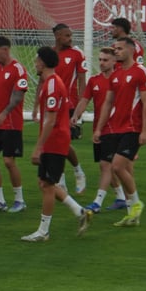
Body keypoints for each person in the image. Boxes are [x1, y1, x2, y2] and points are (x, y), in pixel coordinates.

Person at [22, 47, 93, 242]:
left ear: (43, 62)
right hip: (54, 140)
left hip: (55, 141)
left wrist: (38, 146)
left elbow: (51, 120)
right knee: (45, 183)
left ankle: (43, 231)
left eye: (37, 60)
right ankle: (80, 212)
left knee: (47, 185)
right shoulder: (50, 83)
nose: (35, 63)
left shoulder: (53, 85)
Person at [93, 37, 146, 227]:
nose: (115, 51)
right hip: (115, 128)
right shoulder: (116, 74)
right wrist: (100, 128)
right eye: (114, 48)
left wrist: (145, 131)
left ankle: (136, 204)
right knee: (122, 168)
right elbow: (108, 103)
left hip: (133, 128)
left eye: (119, 48)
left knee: (117, 167)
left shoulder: (141, 72)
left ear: (130, 50)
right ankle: (131, 213)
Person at [0, 36, 28, 213]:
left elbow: (18, 96)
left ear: (5, 50)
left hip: (11, 123)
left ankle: (19, 200)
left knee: (9, 161)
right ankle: (0, 201)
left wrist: (4, 113)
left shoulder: (18, 69)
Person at [71, 46, 118, 213]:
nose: (101, 63)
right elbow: (84, 100)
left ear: (114, 61)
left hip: (116, 129)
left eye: (105, 60)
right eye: (100, 59)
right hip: (99, 128)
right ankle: (122, 197)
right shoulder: (94, 81)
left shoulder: (119, 80)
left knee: (107, 165)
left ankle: (97, 202)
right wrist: (76, 115)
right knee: (107, 166)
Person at [51, 22, 88, 194]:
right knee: (54, 143)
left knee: (63, 143)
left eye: (70, 35)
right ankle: (62, 181)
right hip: (51, 105)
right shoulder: (49, 54)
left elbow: (82, 79)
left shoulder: (77, 53)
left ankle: (78, 171)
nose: (70, 38)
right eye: (67, 35)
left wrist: (81, 104)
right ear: (58, 36)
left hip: (70, 105)